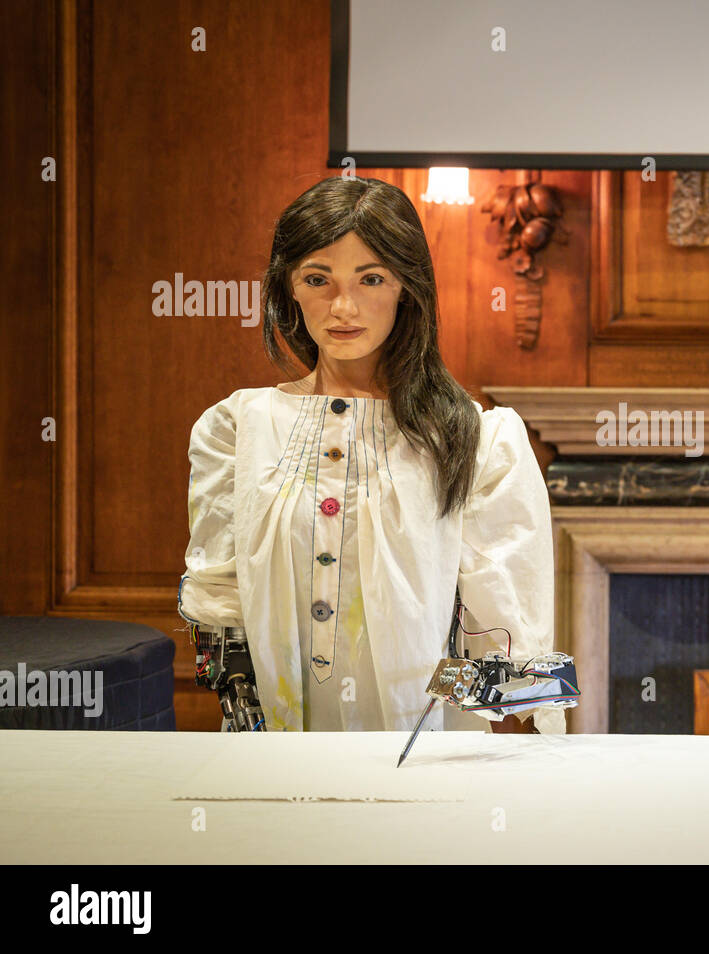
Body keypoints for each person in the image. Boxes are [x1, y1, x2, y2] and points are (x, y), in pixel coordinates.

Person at [177, 176, 560, 735]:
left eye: (372, 278)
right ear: (289, 289)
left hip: (427, 766)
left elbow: (514, 633)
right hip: (274, 764)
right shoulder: (235, 430)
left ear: (407, 287)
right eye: (318, 279)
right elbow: (221, 601)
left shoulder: (477, 441)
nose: (344, 306)